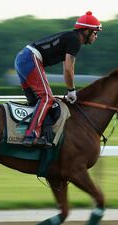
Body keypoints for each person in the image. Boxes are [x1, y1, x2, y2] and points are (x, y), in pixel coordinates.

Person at [14, 11, 102, 147]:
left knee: (35, 102)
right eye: (95, 32)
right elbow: (68, 69)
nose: (96, 36)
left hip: (23, 58)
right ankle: (31, 135)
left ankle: (25, 132)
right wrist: (72, 90)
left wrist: (69, 89)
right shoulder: (75, 40)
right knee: (47, 98)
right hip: (29, 58)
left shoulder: (71, 38)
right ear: (86, 31)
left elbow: (65, 69)